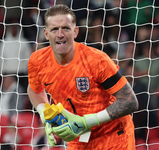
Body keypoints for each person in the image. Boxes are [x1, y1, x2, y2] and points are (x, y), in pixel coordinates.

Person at [27, 4, 139, 150]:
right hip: (78, 140)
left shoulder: (97, 60)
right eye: (54, 29)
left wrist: (87, 122)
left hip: (114, 137)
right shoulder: (38, 61)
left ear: (75, 32)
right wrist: (44, 114)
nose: (60, 34)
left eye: (65, 28)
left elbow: (130, 101)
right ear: (46, 34)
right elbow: (34, 89)